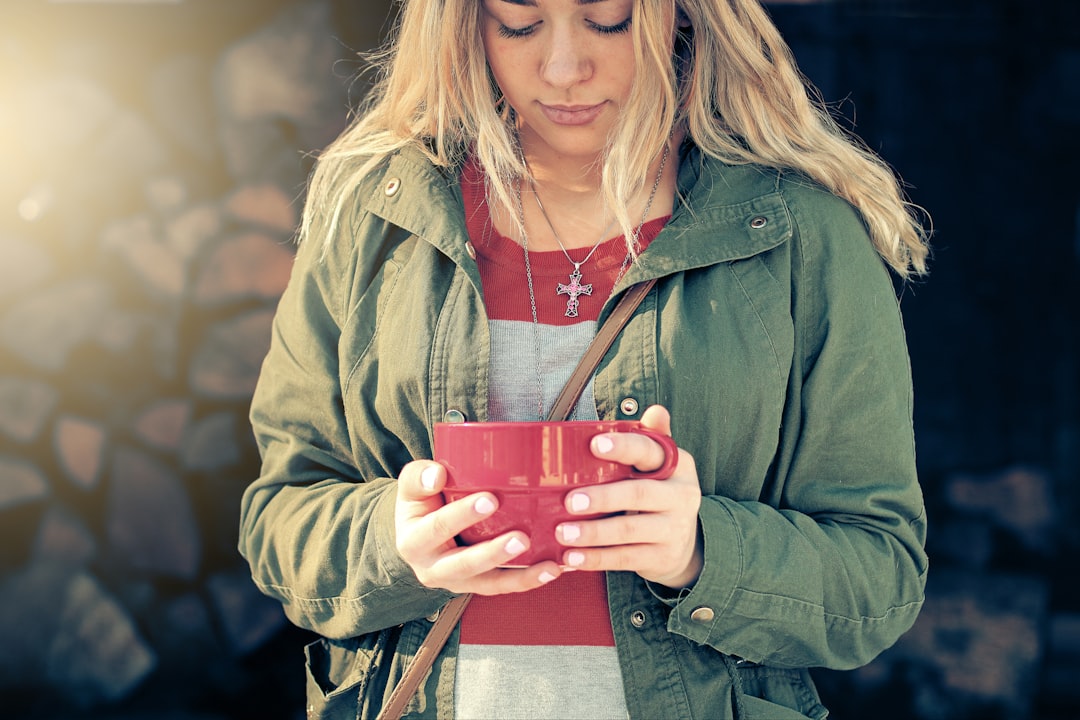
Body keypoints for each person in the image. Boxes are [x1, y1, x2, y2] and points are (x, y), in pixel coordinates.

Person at [239, 0, 931, 718]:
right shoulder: (376, 214)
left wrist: (700, 551)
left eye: (608, 20)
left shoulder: (801, 235)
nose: (564, 68)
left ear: (684, 19)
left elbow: (879, 579)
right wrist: (394, 542)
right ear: (463, 26)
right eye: (518, 23)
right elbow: (280, 522)